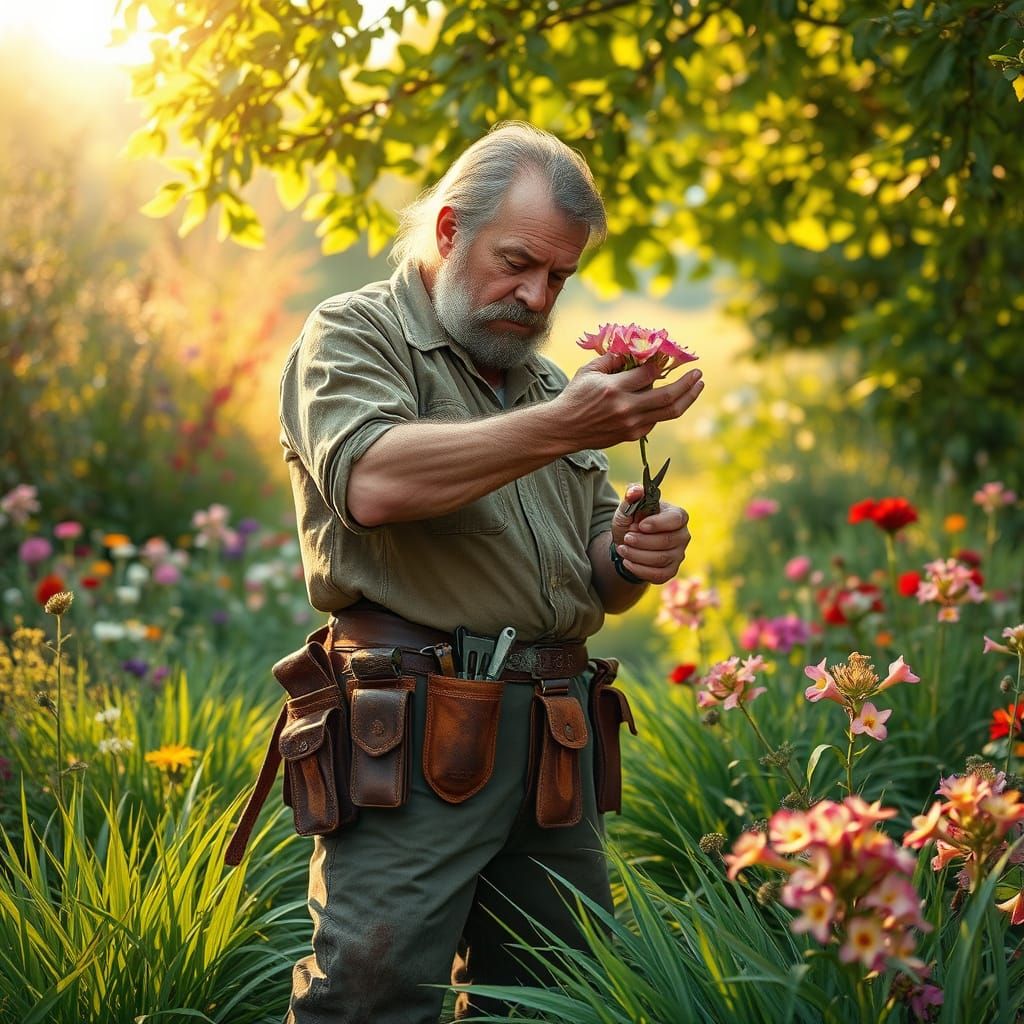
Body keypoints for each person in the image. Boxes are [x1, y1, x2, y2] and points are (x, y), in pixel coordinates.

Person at [277, 121, 704, 1024]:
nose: (536, 294)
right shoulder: (355, 333)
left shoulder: (551, 388)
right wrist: (566, 427)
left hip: (555, 741)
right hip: (410, 732)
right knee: (372, 1001)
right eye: (518, 262)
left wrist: (633, 553)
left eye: (559, 277)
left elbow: (593, 584)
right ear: (446, 231)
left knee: (564, 999)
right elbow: (373, 481)